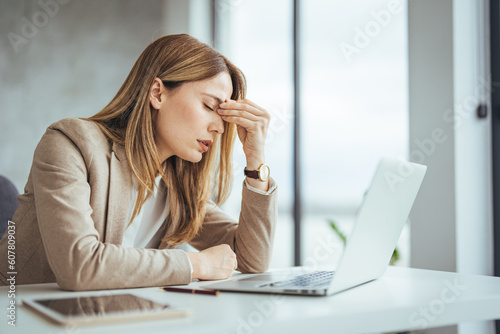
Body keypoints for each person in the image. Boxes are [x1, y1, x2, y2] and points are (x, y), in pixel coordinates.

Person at [0, 34, 277, 291]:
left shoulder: (177, 185)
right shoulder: (70, 143)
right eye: (208, 107)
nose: (219, 127)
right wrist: (195, 264)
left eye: (223, 116)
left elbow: (252, 260)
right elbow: (79, 265)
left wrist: (256, 161)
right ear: (157, 93)